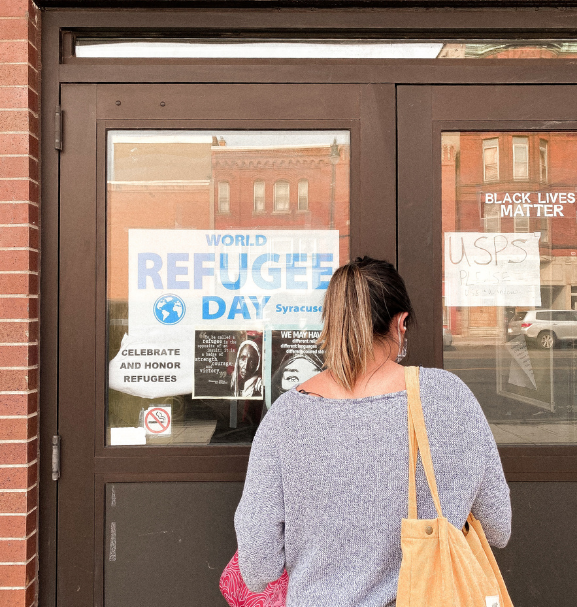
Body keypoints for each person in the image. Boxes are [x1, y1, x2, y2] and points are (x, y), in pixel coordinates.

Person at [234, 256, 511, 607]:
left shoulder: (285, 418)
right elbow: (498, 527)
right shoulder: (448, 396)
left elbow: (259, 567)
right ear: (401, 323)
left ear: (331, 322)